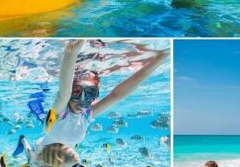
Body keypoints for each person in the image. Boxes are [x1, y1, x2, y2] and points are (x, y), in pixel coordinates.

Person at [36, 39, 168, 149]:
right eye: (76, 92)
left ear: (95, 95)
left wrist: (157, 61)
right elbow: (64, 93)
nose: (82, 100)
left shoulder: (85, 116)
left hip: (57, 162)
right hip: (38, 154)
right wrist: (71, 53)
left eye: (90, 94)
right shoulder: (59, 113)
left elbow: (117, 95)